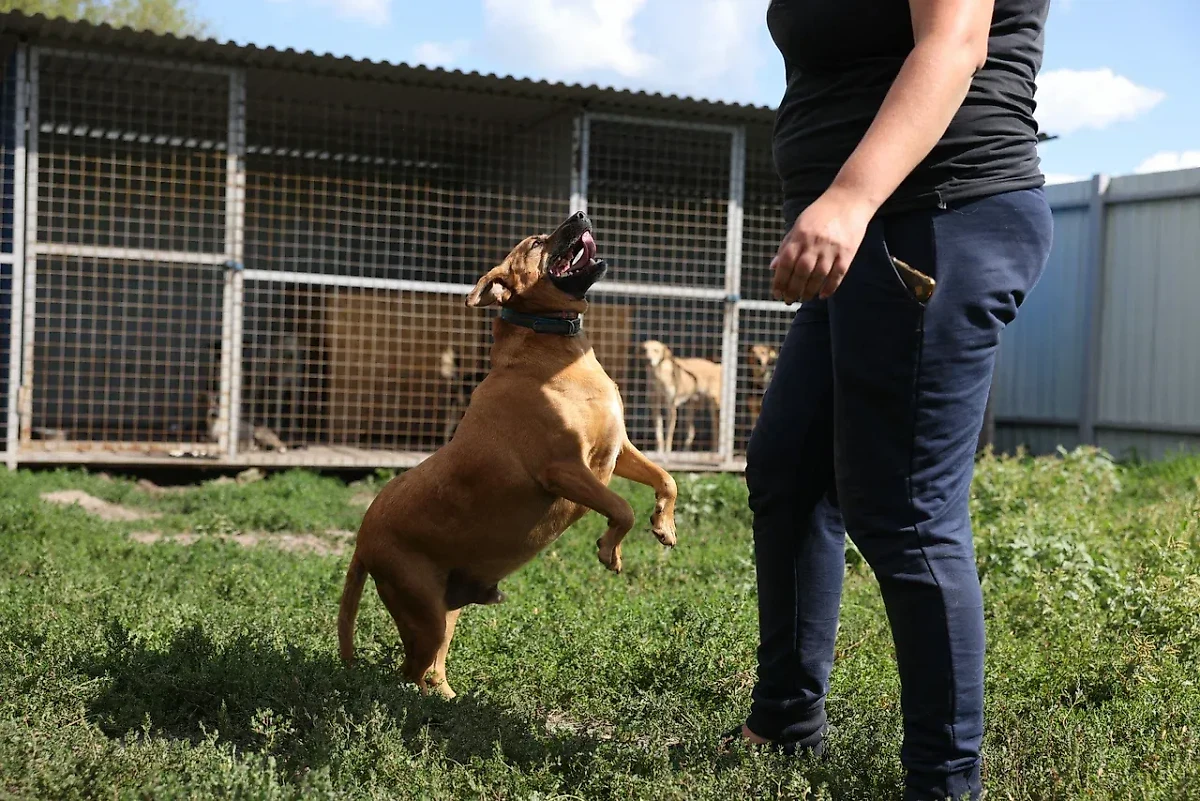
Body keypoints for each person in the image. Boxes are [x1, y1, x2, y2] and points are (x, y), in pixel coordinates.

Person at [728, 1, 1054, 799]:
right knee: (790, 470)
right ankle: (786, 717)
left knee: (905, 511)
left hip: (935, 212)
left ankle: (944, 785)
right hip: (875, 233)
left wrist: (847, 195)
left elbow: (954, 42)